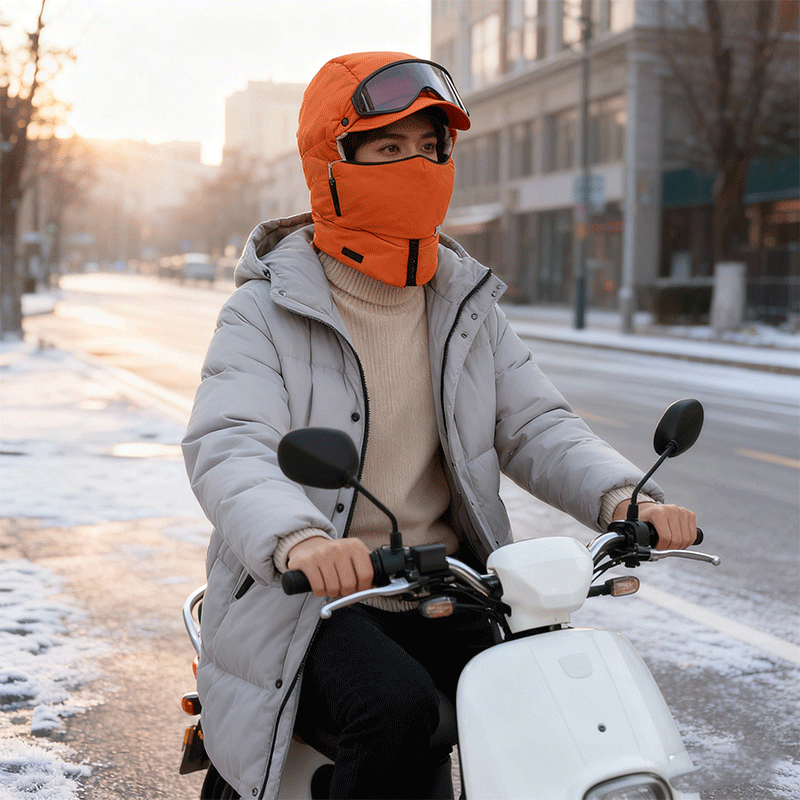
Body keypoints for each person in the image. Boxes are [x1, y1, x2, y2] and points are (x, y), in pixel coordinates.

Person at [181, 51, 697, 800]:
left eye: (430, 147)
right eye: (388, 148)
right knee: (396, 712)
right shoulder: (264, 310)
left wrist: (625, 497)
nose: (415, 164)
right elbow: (230, 445)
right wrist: (302, 539)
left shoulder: (466, 304)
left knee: (552, 700)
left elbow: (537, 425)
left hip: (448, 584)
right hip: (309, 597)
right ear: (333, 164)